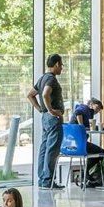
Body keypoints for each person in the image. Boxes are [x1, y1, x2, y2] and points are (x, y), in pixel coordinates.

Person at [28, 54, 66, 189]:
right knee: (52, 149)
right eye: (61, 65)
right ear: (56, 64)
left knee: (45, 147)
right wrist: (51, 111)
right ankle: (48, 180)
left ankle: (42, 179)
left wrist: (41, 110)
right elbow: (45, 94)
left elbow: (30, 95)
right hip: (53, 119)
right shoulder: (51, 79)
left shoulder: (42, 78)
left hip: (45, 119)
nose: (61, 68)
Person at [69, 98, 104, 186]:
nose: (98, 110)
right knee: (101, 152)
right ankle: (85, 173)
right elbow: (78, 112)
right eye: (97, 107)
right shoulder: (85, 108)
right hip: (78, 143)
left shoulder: (89, 113)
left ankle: (86, 174)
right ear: (91, 104)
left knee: (97, 151)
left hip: (72, 143)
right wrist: (81, 126)